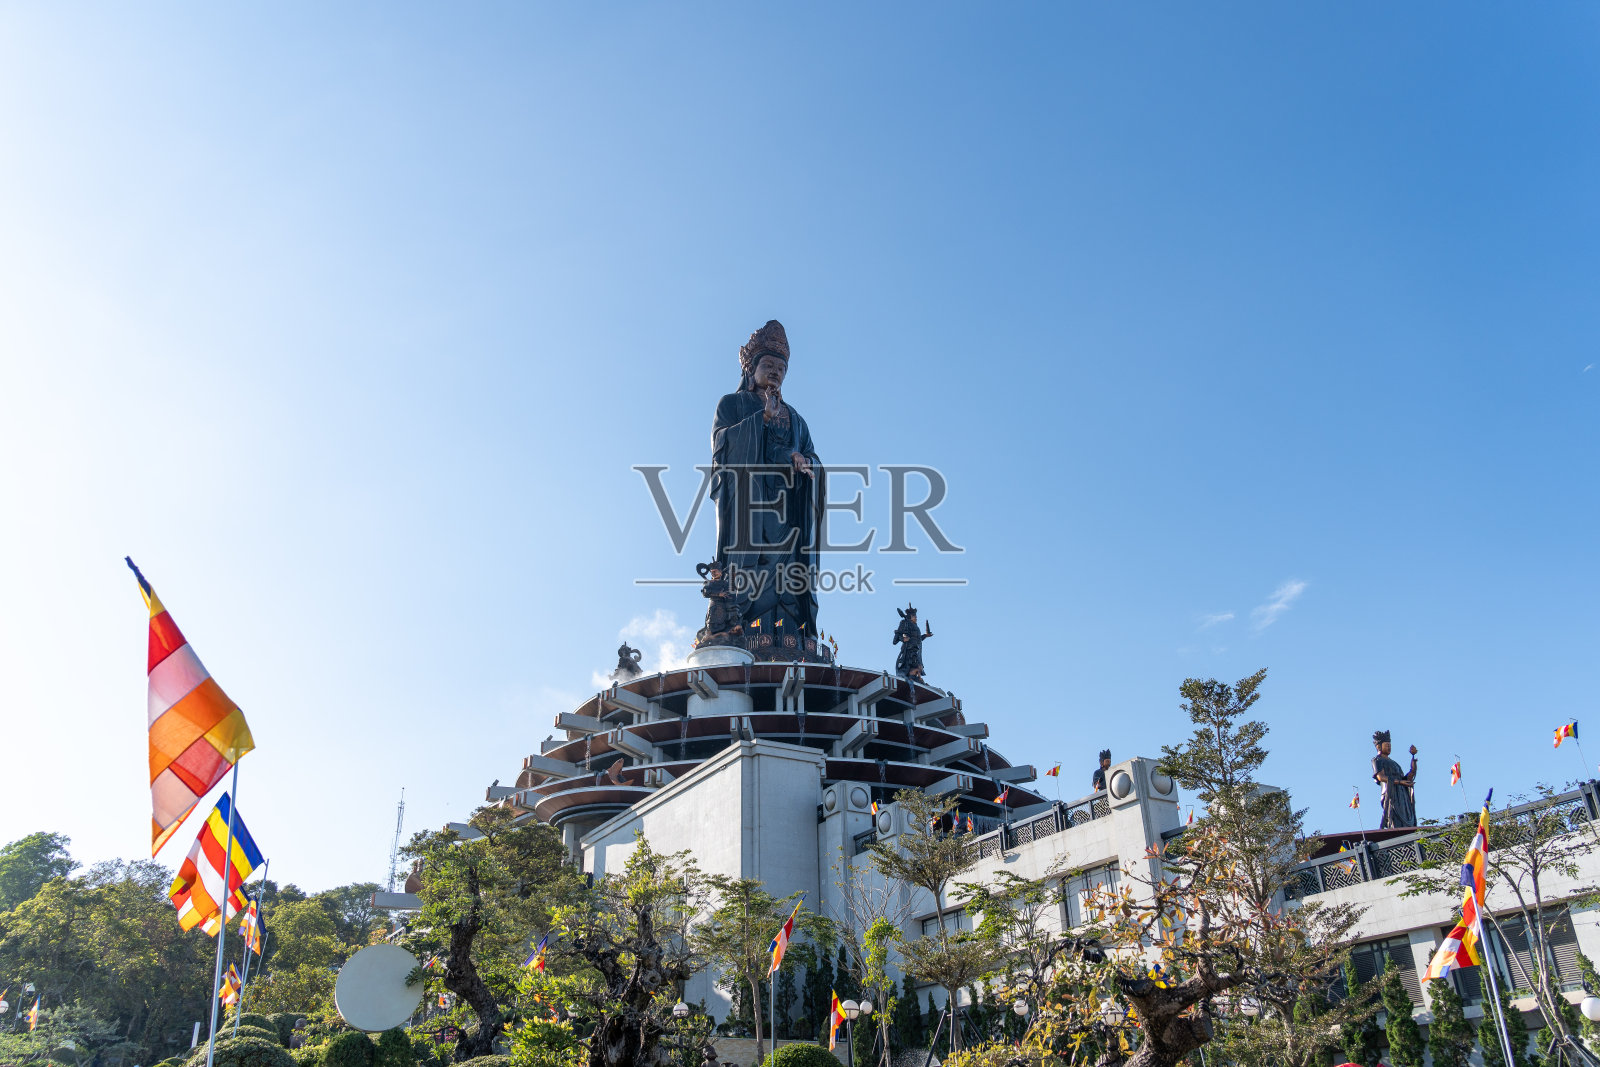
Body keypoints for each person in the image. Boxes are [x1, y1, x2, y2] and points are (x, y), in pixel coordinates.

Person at [710, 320, 823, 640]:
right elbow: (722, 447)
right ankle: (739, 626)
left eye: (781, 368)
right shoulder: (731, 404)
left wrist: (803, 461)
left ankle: (789, 633)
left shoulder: (796, 419)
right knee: (751, 567)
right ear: (751, 368)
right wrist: (760, 420)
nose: (775, 372)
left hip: (788, 504)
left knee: (789, 572)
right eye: (769, 365)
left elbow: (813, 457)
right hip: (749, 501)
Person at [1371, 730, 1418, 829]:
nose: (1389, 747)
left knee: (1407, 815)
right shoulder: (1377, 760)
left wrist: (1413, 765)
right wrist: (1400, 782)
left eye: (1390, 745)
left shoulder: (1395, 763)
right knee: (1393, 815)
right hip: (1390, 792)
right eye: (1386, 745)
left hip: (1402, 794)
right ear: (1379, 746)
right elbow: (1380, 777)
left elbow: (1406, 778)